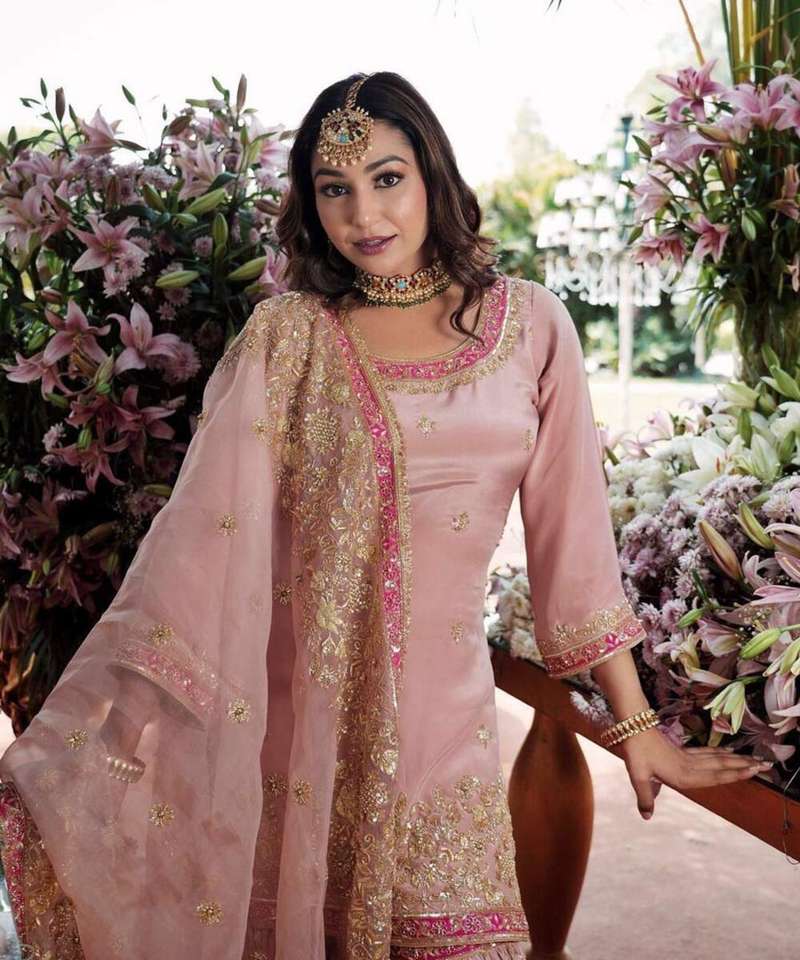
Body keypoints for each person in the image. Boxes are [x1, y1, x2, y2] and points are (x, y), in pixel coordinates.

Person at [0, 71, 768, 960]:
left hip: (445, 747)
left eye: (388, 178)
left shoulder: (529, 325)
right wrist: (97, 748)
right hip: (297, 751)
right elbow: (196, 553)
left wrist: (638, 732)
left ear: (433, 173)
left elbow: (576, 555)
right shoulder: (290, 338)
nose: (364, 214)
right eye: (335, 189)